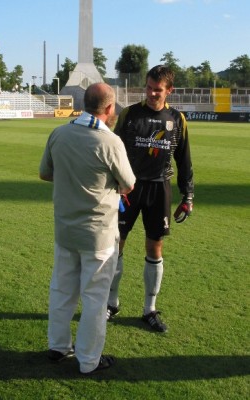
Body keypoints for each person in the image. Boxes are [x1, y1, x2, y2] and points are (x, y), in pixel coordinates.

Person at [39, 82, 135, 375]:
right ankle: (89, 360)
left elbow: (45, 173)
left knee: (62, 289)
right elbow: (129, 183)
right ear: (109, 108)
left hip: (66, 230)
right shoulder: (110, 142)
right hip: (98, 235)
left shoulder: (60, 133)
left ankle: (57, 347)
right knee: (94, 298)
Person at [107, 65, 194, 332]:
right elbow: (112, 149)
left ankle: (149, 309)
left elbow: (184, 160)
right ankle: (111, 303)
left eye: (158, 89)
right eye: (148, 88)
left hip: (160, 190)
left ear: (169, 90)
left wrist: (187, 195)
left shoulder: (177, 119)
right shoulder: (131, 114)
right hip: (128, 190)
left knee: (154, 248)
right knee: (116, 246)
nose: (152, 93)